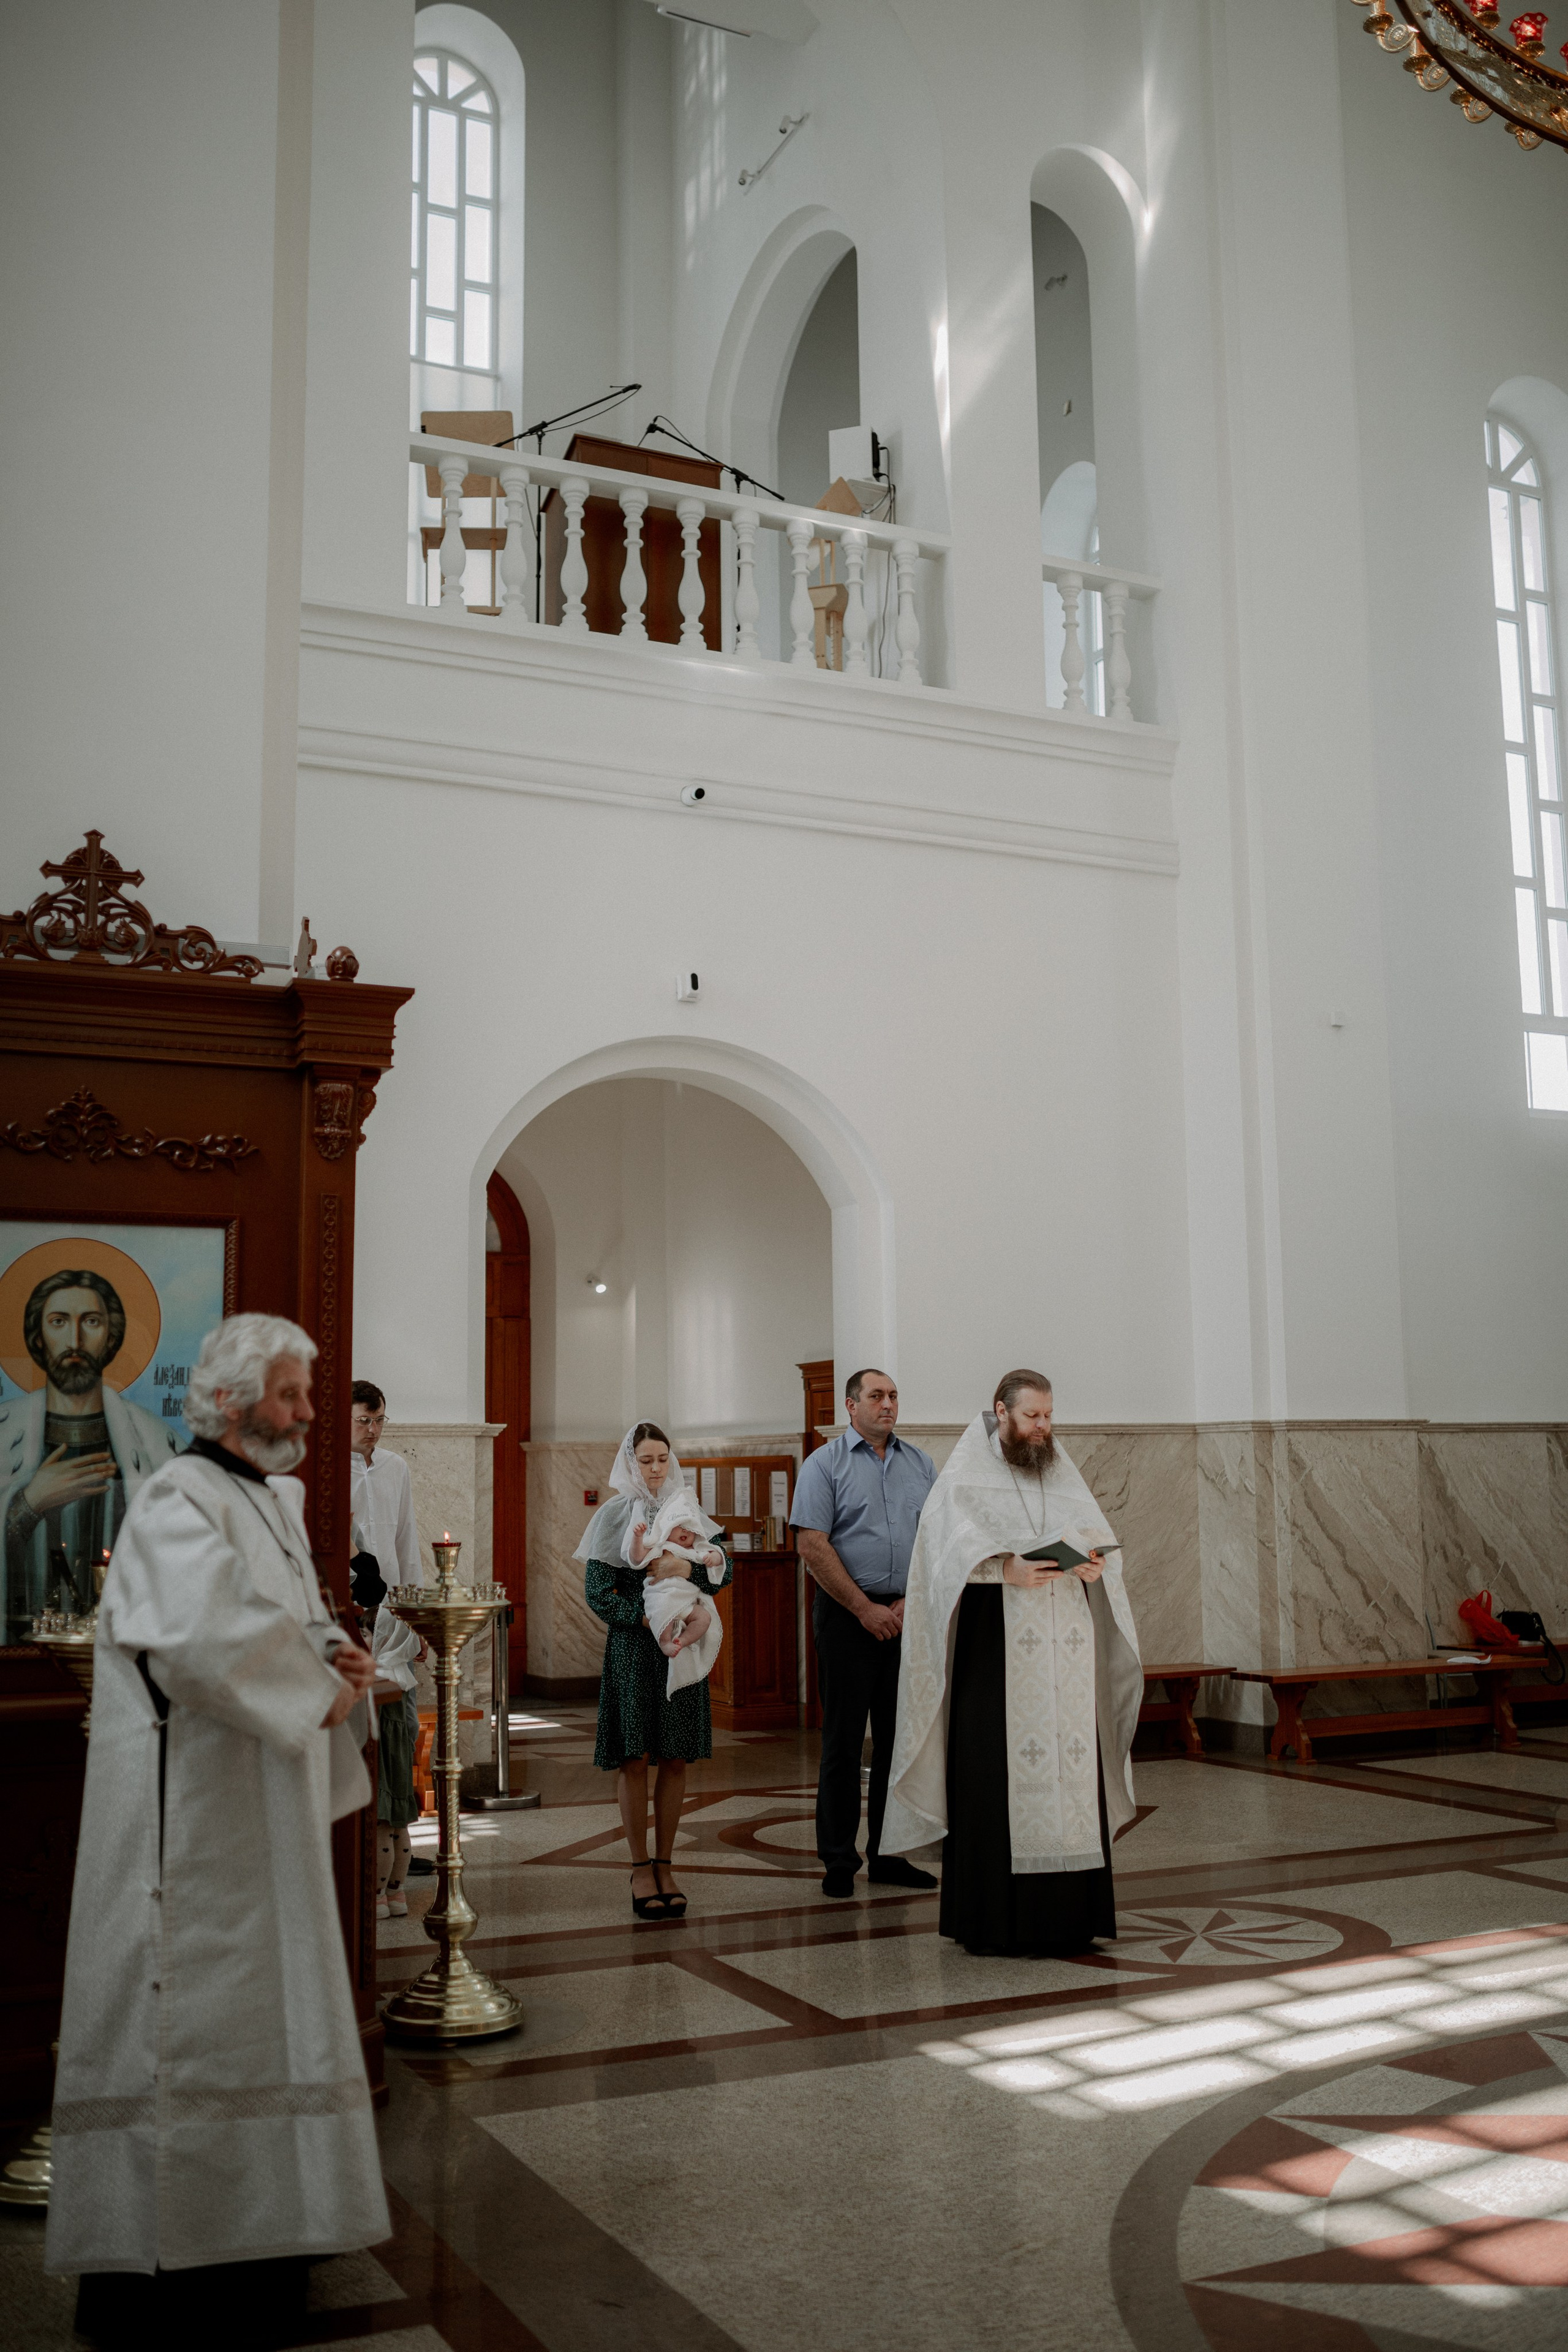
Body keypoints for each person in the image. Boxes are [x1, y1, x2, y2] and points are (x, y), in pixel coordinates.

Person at [45, 1313, 390, 2342]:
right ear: (233, 1403)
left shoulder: (266, 1501)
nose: (308, 1415)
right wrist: (307, 1682)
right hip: (192, 1826)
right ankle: (170, 2264)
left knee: (271, 2011)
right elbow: (196, 1633)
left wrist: (338, 1658)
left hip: (261, 1807)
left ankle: (264, 2237)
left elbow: (287, 1614)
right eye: (291, 1396)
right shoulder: (176, 1499)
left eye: (307, 1395)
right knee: (193, 2021)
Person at [880, 1369, 1143, 1958]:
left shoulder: (1060, 1469)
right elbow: (939, 1563)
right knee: (994, 1776)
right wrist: (1003, 1569)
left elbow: (1095, 1536)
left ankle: (1073, 1916)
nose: (1044, 1428)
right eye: (1033, 1417)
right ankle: (993, 1921)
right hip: (993, 1658)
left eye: (1049, 1416)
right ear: (1002, 1412)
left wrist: (1095, 1565)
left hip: (1065, 1654)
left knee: (1070, 1772)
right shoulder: (965, 1476)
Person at [789, 1368, 938, 1900]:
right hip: (847, 1620)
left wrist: (905, 1603)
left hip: (905, 1617)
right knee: (843, 1744)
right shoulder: (823, 1466)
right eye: (876, 1396)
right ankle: (837, 1860)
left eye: (894, 1395)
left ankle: (890, 1855)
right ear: (850, 1407)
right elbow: (812, 1545)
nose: (888, 1404)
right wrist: (863, 1608)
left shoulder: (920, 1464)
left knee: (901, 1744)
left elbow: (937, 1542)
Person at [578, 1423, 731, 1920]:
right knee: (635, 1756)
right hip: (633, 1647)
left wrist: (688, 1571)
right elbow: (598, 1591)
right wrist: (645, 1618)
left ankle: (667, 1863)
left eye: (663, 1458)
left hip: (680, 1644)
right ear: (630, 1463)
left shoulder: (685, 1508)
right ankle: (639, 1865)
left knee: (676, 1756)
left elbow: (724, 1569)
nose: (657, 1468)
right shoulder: (614, 1515)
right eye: (646, 1460)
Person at [1, 1266, 183, 1640]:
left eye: (92, 1322)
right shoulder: (3, 1435)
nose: (75, 1340)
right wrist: (28, 1504)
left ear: (111, 1336)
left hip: (125, 1642)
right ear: (38, 1337)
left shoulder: (155, 1442)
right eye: (58, 1322)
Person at [348, 1378, 428, 1893]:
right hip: (352, 1615)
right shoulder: (329, 1468)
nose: (373, 1431)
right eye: (363, 1421)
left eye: (379, 1421)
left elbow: (407, 1541)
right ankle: (361, 1846)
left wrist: (418, 1617)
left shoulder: (395, 1467)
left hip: (393, 1617)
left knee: (398, 1727)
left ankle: (395, 1830)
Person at [625, 1484, 726, 1683]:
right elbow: (637, 1559)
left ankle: (683, 1640)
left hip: (688, 1605)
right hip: (664, 1598)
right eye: (680, 1525)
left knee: (704, 1618)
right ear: (668, 1528)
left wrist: (714, 1558)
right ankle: (665, 1642)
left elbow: (719, 1558)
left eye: (690, 1527)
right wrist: (638, 1538)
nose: (686, 1531)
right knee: (665, 1612)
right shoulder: (662, 1547)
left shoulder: (696, 1551)